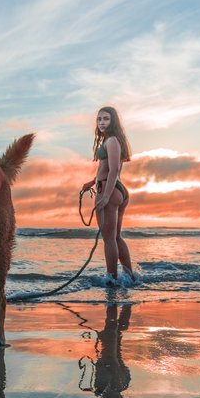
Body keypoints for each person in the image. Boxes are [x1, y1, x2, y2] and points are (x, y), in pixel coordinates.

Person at [81, 106, 134, 283]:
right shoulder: (113, 140)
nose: (102, 122)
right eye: (99, 119)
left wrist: (105, 196)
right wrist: (92, 182)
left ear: (113, 121)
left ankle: (112, 280)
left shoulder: (111, 141)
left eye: (106, 119)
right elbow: (105, 168)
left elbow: (114, 169)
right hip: (117, 190)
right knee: (116, 237)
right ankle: (130, 276)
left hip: (110, 190)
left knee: (109, 239)